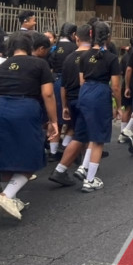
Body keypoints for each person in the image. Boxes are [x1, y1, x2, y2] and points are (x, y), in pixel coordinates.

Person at [0, 32, 58, 220]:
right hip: (26, 108)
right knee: (32, 155)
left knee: (5, 155)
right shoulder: (39, 64)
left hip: (0, 109)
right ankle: (6, 196)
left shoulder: (1, 67)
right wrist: (53, 121)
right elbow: (48, 94)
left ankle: (12, 199)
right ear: (29, 46)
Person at [77, 22, 122, 192]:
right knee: (99, 139)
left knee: (90, 133)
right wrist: (118, 106)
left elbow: (81, 81)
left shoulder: (84, 56)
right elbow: (116, 87)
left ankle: (84, 166)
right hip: (100, 92)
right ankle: (90, 179)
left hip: (85, 92)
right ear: (108, 36)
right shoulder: (111, 58)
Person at [48, 24, 93, 186]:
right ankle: (60, 170)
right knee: (81, 136)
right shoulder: (92, 56)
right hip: (85, 100)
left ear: (77, 37)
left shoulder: (68, 57)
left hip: (71, 99)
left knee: (84, 133)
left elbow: (63, 85)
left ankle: (84, 163)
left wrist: (65, 105)